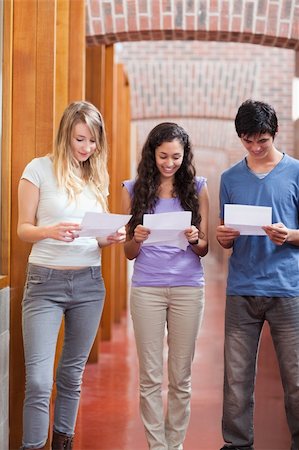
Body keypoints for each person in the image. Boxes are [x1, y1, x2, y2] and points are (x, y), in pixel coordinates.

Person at [18, 101, 126, 450]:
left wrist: (109, 238)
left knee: (71, 376)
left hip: (89, 285)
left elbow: (95, 235)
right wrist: (49, 231)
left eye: (93, 142)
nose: (86, 148)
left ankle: (63, 443)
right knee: (37, 381)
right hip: (44, 283)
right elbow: (23, 230)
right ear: (66, 134)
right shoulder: (37, 170)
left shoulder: (96, 177)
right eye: (80, 139)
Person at [216, 99, 299, 450]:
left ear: (274, 133)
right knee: (236, 380)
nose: (255, 147)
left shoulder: (295, 173)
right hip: (242, 288)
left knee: (295, 378)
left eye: (262, 140)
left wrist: (291, 235)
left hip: (287, 288)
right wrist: (223, 237)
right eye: (248, 140)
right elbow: (224, 237)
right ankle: (237, 445)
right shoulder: (230, 178)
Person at [122, 122, 209, 450]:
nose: (169, 163)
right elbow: (128, 254)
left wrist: (194, 238)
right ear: (151, 154)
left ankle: (175, 445)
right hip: (147, 289)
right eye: (163, 156)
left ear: (185, 155)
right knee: (150, 377)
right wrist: (137, 238)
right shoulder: (132, 190)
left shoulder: (198, 187)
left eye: (176, 156)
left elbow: (205, 248)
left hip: (188, 287)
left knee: (181, 378)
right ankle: (157, 446)